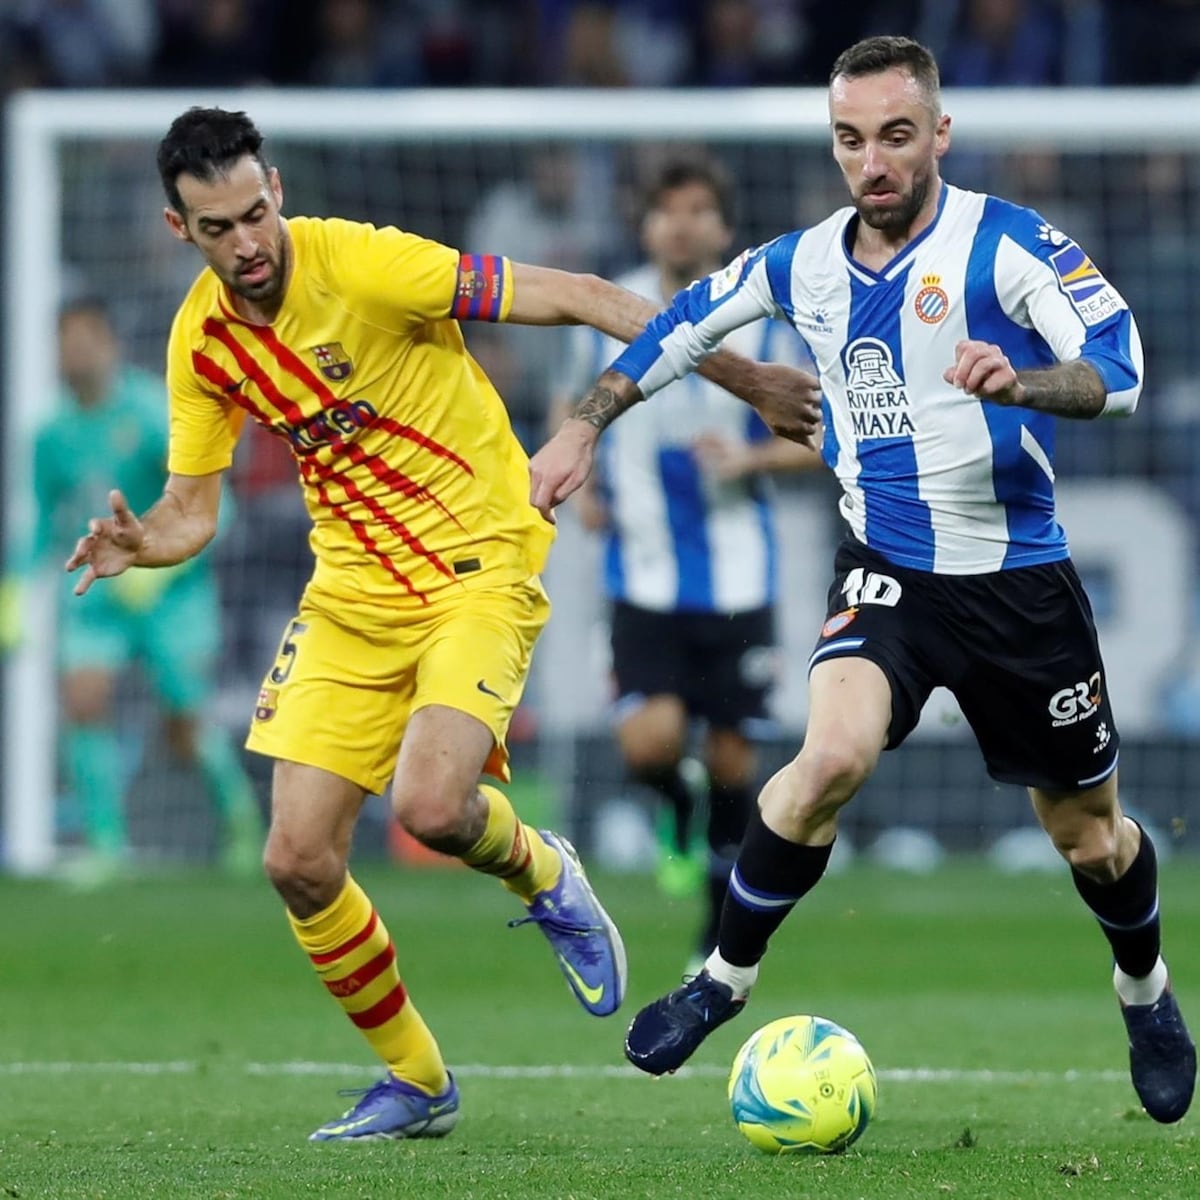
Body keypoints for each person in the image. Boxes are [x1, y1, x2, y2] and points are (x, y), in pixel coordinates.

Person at [65, 107, 821, 1143]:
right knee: (295, 859)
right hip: (350, 593)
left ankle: (544, 870)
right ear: (176, 228)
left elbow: (593, 296)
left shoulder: (373, 266)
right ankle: (418, 1082)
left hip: (477, 560)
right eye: (215, 228)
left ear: (276, 189)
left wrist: (751, 382)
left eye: (253, 214)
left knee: (429, 805)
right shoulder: (201, 342)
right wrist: (140, 542)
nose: (245, 243)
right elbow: (193, 510)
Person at [530, 35, 1195, 1125]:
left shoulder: (1009, 246)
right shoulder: (802, 264)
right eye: (850, 140)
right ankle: (722, 978)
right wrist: (581, 430)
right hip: (887, 568)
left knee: (1090, 836)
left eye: (894, 135)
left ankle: (1146, 989)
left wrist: (1024, 381)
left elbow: (1119, 366)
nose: (872, 162)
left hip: (1018, 582)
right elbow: (673, 329)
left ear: (939, 133)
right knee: (827, 754)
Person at [558, 154, 819, 968]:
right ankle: (673, 814)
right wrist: (588, 478)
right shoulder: (614, 308)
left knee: (736, 761)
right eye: (668, 209)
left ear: (723, 227)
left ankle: (715, 924)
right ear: (646, 224)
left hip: (741, 579)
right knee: (651, 747)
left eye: (699, 209)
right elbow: (580, 408)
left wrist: (750, 463)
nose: (682, 223)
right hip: (641, 574)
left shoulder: (765, 318)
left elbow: (824, 435)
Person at [17, 298, 261, 882]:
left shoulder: (152, 412)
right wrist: (14, 591)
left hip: (170, 596)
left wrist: (162, 571)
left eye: (86, 338)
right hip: (98, 593)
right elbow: (43, 522)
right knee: (83, 699)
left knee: (185, 723)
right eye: (65, 341)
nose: (75, 352)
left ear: (109, 343)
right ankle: (106, 845)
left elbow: (213, 506)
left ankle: (242, 825)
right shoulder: (49, 435)